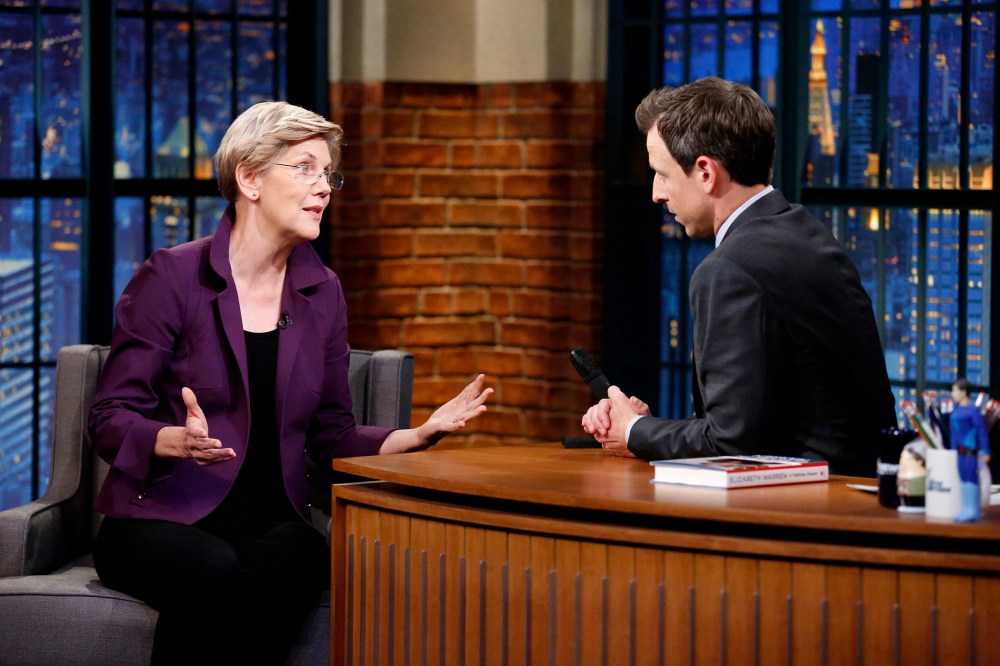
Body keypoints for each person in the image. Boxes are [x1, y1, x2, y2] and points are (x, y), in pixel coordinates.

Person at [89, 101, 493, 664]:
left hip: (269, 520)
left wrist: (413, 436)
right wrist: (172, 440)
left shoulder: (321, 289)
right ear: (249, 178)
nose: (323, 187)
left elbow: (331, 436)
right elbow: (110, 416)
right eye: (304, 167)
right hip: (159, 514)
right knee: (213, 571)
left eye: (329, 173)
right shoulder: (173, 276)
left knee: (302, 553)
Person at [582, 77, 896, 476]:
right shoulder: (806, 234)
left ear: (705, 173)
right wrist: (645, 426)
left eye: (661, 174)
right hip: (854, 495)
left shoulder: (730, 270)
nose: (656, 194)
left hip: (805, 511)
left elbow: (732, 442)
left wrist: (634, 432)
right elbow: (762, 420)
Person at [949, 377, 990, 521]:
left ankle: (973, 510)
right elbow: (954, 434)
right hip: (960, 454)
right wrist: (952, 449)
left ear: (964, 392)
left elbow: (982, 433)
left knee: (971, 480)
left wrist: (985, 450)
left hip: (970, 454)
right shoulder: (955, 413)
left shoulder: (973, 413)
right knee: (963, 480)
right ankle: (966, 509)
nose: (952, 394)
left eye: (955, 390)